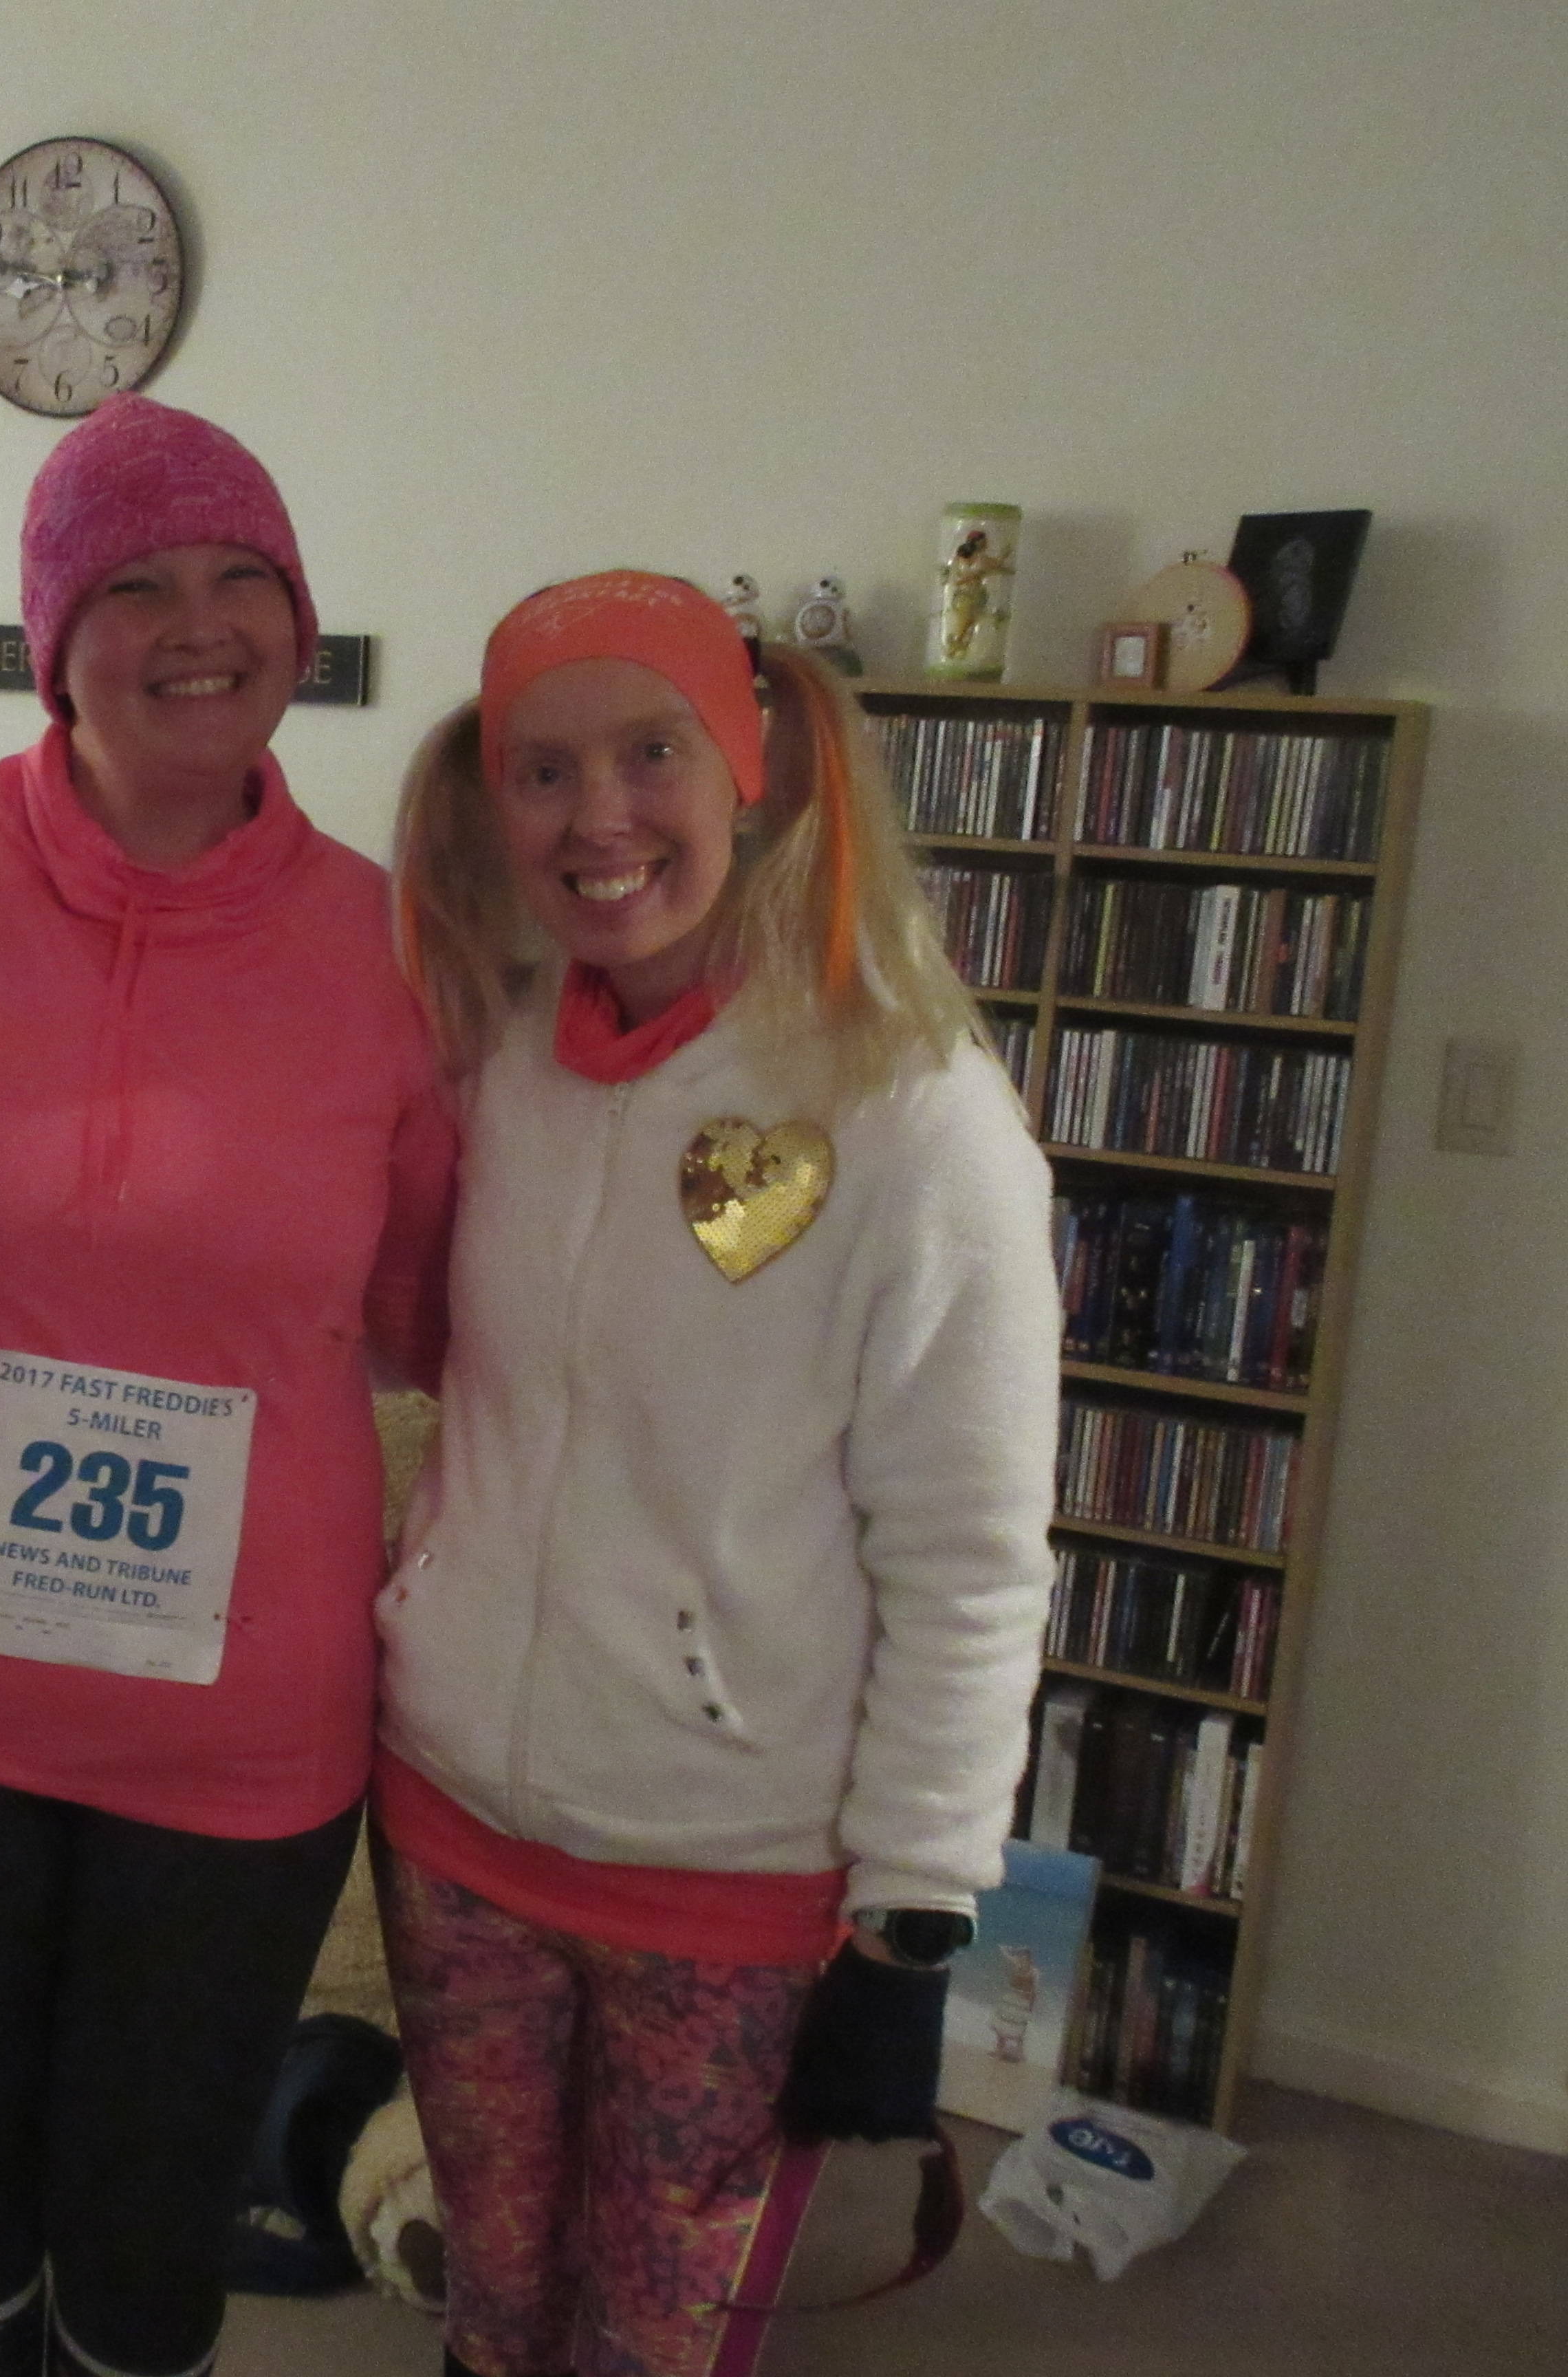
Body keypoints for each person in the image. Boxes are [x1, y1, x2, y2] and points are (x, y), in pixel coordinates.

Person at [0, 393, 457, 2377]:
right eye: (135, 585)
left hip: (236, 1730)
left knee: (155, 2229)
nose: (200, 624)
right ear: (50, 637)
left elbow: (427, 1314)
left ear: (298, 620)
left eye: (245, 578)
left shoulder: (394, 947)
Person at [378, 570, 1060, 2377]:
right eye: (543, 771)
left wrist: (915, 1905)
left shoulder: (912, 1113)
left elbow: (970, 1551)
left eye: (651, 753)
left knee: (646, 2343)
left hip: (728, 1878)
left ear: (751, 766)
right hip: (452, 1830)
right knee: (488, 2312)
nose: (597, 817)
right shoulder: (497, 1060)